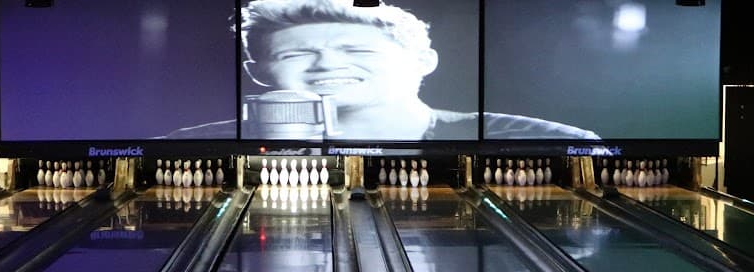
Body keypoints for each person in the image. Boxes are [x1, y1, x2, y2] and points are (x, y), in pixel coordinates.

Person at [166, 0, 600, 141]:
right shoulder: (191, 145)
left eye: (356, 49)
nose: (328, 64)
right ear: (257, 71)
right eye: (294, 55)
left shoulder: (544, 140)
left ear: (424, 61)